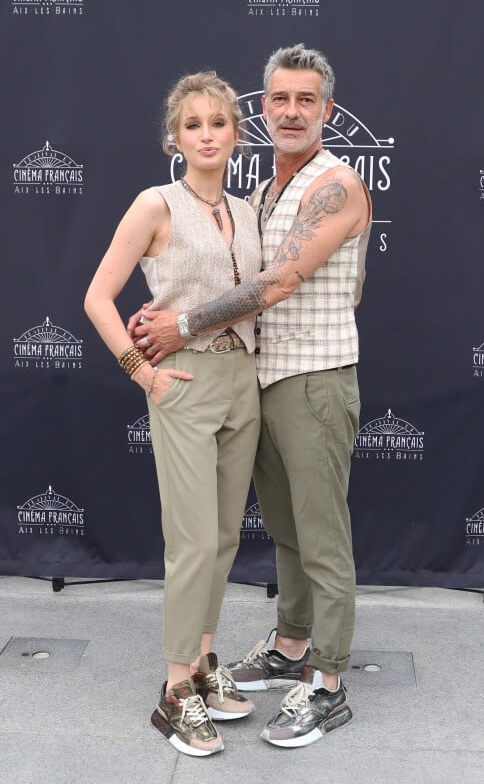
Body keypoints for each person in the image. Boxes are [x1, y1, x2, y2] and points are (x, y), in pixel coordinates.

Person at [129, 44, 372, 748]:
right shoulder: (264, 192)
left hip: (316, 380)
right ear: (262, 111)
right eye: (280, 99)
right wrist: (166, 312)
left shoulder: (336, 183)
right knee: (289, 534)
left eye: (307, 100)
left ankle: (328, 684)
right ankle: (291, 645)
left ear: (327, 110)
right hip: (259, 382)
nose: (292, 111)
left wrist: (181, 324)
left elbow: (280, 282)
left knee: (321, 538)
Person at [84, 71, 262, 758]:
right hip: (183, 385)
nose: (208, 133)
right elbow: (98, 297)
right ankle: (173, 693)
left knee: (221, 539)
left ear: (237, 135)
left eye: (220, 122)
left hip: (241, 380)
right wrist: (145, 376)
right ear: (175, 136)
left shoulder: (247, 212)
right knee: (190, 543)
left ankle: (205, 665)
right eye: (195, 125)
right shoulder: (154, 204)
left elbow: (255, 296)